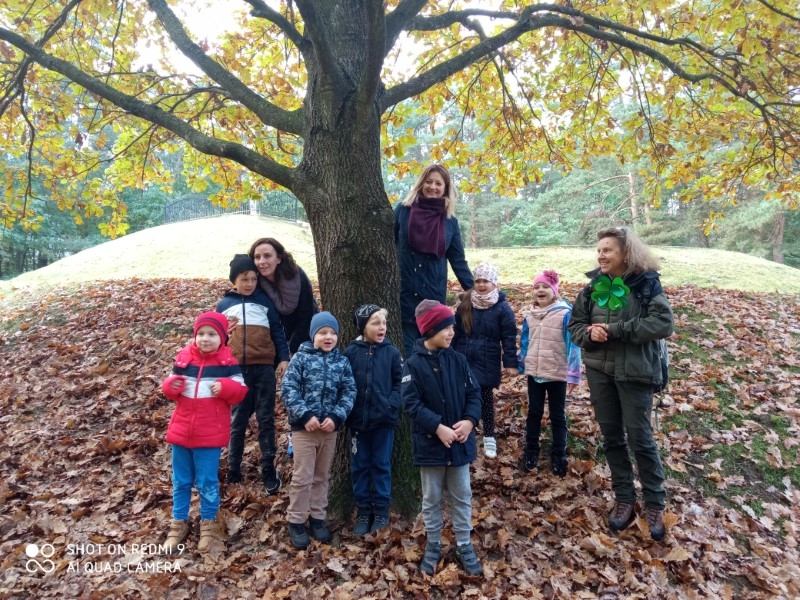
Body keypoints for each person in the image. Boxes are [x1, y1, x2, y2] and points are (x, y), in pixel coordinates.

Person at [568, 227, 674, 541]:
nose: (601, 255)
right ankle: (624, 498)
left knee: (641, 439)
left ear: (625, 253)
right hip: (600, 372)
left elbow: (664, 323)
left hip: (635, 373)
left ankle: (654, 503)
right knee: (612, 438)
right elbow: (575, 325)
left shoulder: (646, 284)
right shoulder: (592, 288)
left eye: (608, 250)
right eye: (599, 250)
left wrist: (616, 330)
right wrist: (589, 333)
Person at [403, 300, 483, 577]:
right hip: (430, 446)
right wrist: (437, 427)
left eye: (452, 327)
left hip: (459, 445)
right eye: (446, 327)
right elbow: (411, 404)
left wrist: (470, 421)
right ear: (430, 330)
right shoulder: (412, 365)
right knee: (432, 497)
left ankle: (463, 544)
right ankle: (434, 544)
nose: (452, 332)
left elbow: (474, 393)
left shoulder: (458, 360)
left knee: (462, 495)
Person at [161, 312, 248, 553]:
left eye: (211, 334)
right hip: (181, 432)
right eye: (200, 334)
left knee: (207, 482)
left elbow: (240, 391)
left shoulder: (227, 363)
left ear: (222, 338)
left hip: (209, 435)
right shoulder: (184, 359)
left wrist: (226, 387)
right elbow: (169, 386)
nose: (205, 339)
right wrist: (170, 387)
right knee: (180, 481)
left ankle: (209, 524)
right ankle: (178, 523)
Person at [281, 312, 356, 550]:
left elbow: (349, 391)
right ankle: (296, 520)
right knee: (302, 476)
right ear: (313, 335)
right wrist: (305, 415)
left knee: (322, 475)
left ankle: (317, 517)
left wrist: (336, 416)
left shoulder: (341, 362)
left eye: (332, 333)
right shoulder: (300, 359)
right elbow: (289, 388)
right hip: (304, 429)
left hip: (329, 430)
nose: (328, 337)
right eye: (323, 332)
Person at [216, 254, 290, 493]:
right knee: (238, 419)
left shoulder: (264, 301)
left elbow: (277, 330)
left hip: (264, 369)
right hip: (236, 371)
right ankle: (234, 468)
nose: (249, 284)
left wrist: (284, 357)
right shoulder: (224, 305)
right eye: (244, 279)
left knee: (266, 419)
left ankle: (268, 467)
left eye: (253, 279)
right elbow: (217, 339)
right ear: (234, 281)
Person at [394, 164, 473, 356]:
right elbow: (389, 246)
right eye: (429, 182)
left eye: (438, 183)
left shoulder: (450, 221)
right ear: (421, 183)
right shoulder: (403, 210)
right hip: (405, 291)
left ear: (445, 188)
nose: (433, 187)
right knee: (408, 354)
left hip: (432, 293)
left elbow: (457, 259)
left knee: (430, 354)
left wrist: (473, 290)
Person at [343, 304, 403, 535]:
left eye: (384, 323)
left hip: (383, 422)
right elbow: (345, 383)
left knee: (381, 464)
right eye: (375, 323)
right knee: (360, 465)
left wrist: (391, 404)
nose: (382, 328)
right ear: (363, 327)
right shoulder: (351, 353)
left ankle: (381, 511)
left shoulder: (391, 352)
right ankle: (364, 511)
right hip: (358, 422)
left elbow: (401, 383)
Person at [518, 270, 581, 476]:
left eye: (545, 286)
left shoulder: (564, 314)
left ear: (554, 291)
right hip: (535, 373)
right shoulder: (530, 315)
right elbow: (525, 342)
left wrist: (573, 373)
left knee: (557, 415)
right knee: (534, 412)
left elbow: (573, 345)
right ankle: (531, 450)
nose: (540, 290)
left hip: (557, 373)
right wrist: (521, 364)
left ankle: (559, 454)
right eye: (536, 287)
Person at [453, 262, 518, 459]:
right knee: (461, 395)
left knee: (485, 397)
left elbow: (508, 337)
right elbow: (455, 332)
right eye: (478, 281)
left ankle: (489, 434)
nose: (481, 285)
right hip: (463, 356)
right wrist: (449, 354)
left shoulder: (502, 308)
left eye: (486, 281)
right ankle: (465, 430)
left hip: (487, 359)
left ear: (494, 283)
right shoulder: (465, 305)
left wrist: (510, 362)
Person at [249, 237, 318, 355]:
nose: (261, 261)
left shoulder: (296, 275)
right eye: (257, 257)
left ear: (279, 258)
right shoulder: (255, 281)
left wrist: (293, 348)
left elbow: (306, 314)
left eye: (267, 256)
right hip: (273, 339)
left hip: (304, 335)